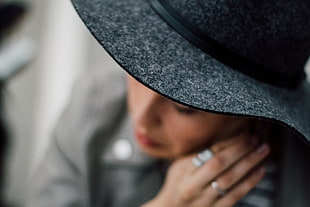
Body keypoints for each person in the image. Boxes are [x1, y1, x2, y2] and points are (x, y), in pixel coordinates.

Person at [26, 0, 310, 206]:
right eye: (137, 71)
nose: (141, 115)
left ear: (254, 112)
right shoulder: (92, 110)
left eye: (183, 107)